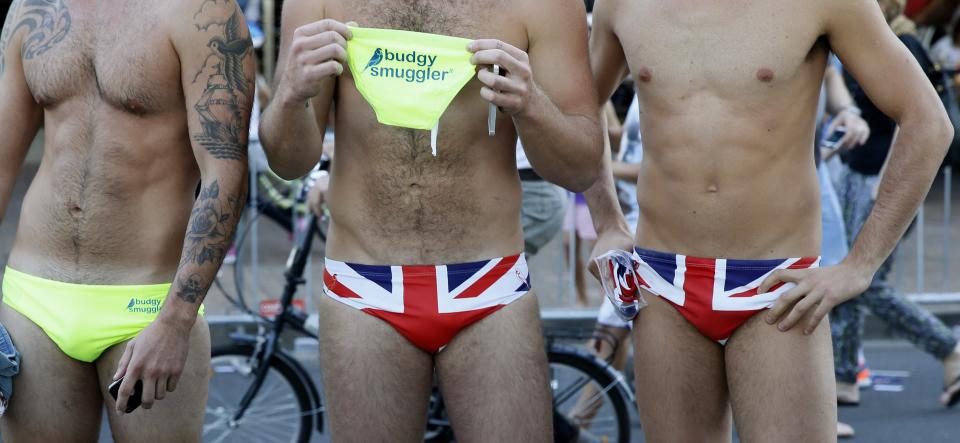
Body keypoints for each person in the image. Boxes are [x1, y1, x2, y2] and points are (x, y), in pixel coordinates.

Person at [585, 0, 952, 441]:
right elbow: (581, 112)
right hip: (664, 284)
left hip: (777, 288)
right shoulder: (623, 4)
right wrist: (607, 221)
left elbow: (928, 121)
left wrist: (860, 265)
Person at [258, 0, 603, 440]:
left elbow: (580, 167)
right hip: (364, 285)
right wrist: (290, 95)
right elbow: (289, 162)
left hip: (489, 283)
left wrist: (532, 104)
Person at [0, 0, 253, 441]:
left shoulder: (201, 12)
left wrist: (177, 319)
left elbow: (225, 175)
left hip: (149, 305)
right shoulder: (32, 7)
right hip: (33, 296)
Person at [831, 0, 960, 416]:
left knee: (867, 280)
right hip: (855, 173)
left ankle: (950, 347)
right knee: (848, 277)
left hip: (881, 180)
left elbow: (919, 120)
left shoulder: (904, 42)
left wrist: (888, 182)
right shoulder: (862, 37)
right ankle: (845, 375)